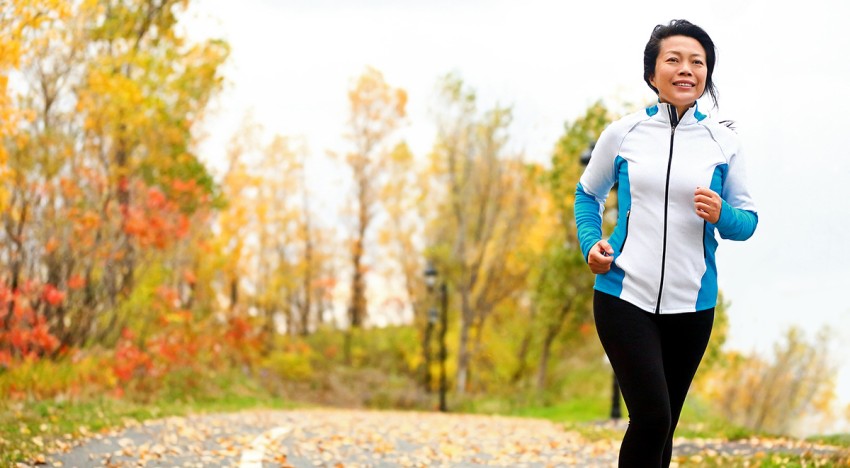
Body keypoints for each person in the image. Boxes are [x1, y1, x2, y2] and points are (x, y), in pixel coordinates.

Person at [573, 19, 758, 467]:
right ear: (652, 72)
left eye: (697, 62)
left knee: (665, 424)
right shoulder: (623, 133)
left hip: (692, 303)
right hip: (623, 293)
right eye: (673, 60)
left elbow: (747, 221)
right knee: (652, 416)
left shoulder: (723, 142)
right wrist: (591, 245)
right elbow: (588, 195)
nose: (686, 70)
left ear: (706, 75)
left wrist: (721, 215)